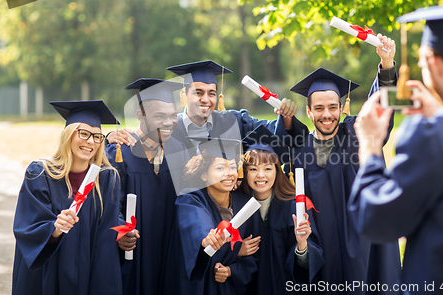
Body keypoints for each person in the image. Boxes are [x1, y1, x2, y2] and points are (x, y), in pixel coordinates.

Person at [349, 1, 443, 294]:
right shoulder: (440, 130)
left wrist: (369, 147)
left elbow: (377, 221)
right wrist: (440, 115)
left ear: (432, 62)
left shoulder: (431, 137)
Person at [279, 35, 401, 293]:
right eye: (319, 108)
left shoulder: (358, 132)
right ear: (309, 111)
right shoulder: (298, 150)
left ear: (341, 107)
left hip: (367, 242)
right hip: (324, 246)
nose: (327, 115)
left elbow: (381, 108)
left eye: (333, 107)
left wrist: (387, 63)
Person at [12, 100, 122, 295]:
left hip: (89, 273)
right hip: (48, 272)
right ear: (68, 135)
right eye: (84, 133)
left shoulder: (106, 179)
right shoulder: (40, 173)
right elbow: (27, 227)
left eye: (97, 136)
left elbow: (106, 237)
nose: (91, 142)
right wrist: (54, 229)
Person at [105, 79, 190, 295]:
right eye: (159, 116)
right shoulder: (120, 152)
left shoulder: (179, 150)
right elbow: (108, 204)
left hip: (170, 253)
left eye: (172, 115)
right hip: (133, 253)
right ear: (140, 116)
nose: (169, 122)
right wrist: (119, 230)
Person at [108, 60, 305, 151]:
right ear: (184, 94)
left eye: (212, 93)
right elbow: (141, 136)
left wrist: (286, 117)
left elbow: (271, 132)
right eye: (198, 92)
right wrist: (110, 137)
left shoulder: (234, 120)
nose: (206, 100)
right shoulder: (168, 128)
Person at [238, 125, 324, 294]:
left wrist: (302, 244)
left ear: (277, 172)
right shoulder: (237, 207)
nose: (261, 175)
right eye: (253, 169)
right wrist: (236, 251)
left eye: (268, 169)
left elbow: (310, 264)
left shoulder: (294, 207)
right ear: (244, 172)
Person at [174, 137, 259, 295]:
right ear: (204, 175)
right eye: (220, 168)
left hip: (230, 287)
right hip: (199, 287)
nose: (228, 173)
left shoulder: (246, 204)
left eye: (232, 167)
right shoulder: (190, 199)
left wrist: (230, 270)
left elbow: (254, 255)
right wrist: (233, 249)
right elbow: (199, 228)